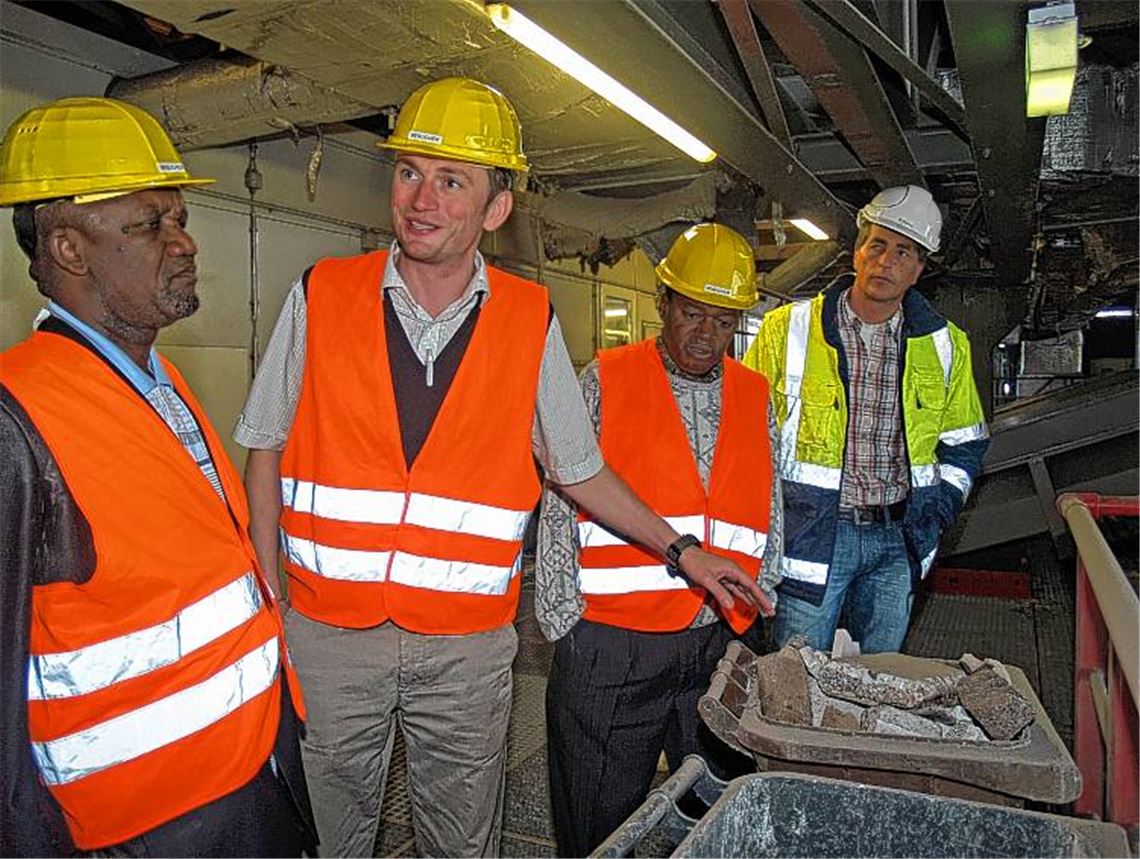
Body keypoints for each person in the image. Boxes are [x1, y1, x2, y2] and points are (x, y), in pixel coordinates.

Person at [235, 76, 766, 858]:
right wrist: (266, 584)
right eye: (410, 171)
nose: (422, 197)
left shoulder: (529, 318)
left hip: (465, 648)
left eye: (452, 180)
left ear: (495, 209)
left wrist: (683, 551)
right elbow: (264, 444)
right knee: (329, 834)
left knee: (461, 839)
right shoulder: (323, 292)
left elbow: (579, 471)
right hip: (328, 635)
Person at [0, 97, 316, 857]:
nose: (183, 244)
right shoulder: (17, 422)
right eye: (150, 224)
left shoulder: (157, 381)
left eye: (179, 219)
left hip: (249, 780)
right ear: (69, 249)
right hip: (141, 828)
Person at [535, 222, 779, 856]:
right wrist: (562, 617)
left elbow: (768, 498)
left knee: (716, 818)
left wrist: (763, 593)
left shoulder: (756, 395)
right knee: (598, 819)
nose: (706, 335)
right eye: (692, 314)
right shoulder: (606, 378)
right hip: (616, 645)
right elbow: (563, 494)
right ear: (663, 305)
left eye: (724, 322)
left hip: (722, 641)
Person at [744, 184, 989, 654]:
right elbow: (744, 434)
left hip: (898, 541)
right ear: (857, 252)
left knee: (881, 681)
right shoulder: (787, 329)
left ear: (918, 270)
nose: (887, 261)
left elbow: (966, 443)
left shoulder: (945, 345)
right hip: (814, 538)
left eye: (904, 252)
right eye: (877, 244)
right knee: (797, 679)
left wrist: (935, 514)